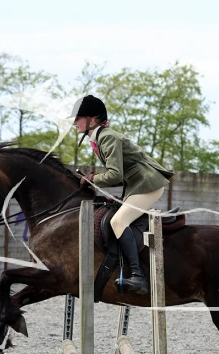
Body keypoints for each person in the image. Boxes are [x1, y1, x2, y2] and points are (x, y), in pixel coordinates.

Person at [71, 95, 174, 294]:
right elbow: (121, 176)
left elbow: (115, 175)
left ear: (92, 120)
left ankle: (138, 276)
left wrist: (93, 178)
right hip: (137, 185)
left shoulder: (107, 137)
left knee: (118, 222)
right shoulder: (100, 138)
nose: (75, 122)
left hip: (148, 184)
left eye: (78, 118)